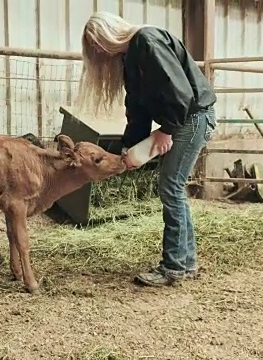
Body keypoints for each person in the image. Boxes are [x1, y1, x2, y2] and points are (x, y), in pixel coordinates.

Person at [78, 11, 218, 287]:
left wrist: (166, 129)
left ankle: (174, 267)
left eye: (97, 46)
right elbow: (138, 108)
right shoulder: (131, 58)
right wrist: (129, 147)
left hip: (191, 117)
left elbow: (178, 91)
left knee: (171, 186)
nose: (98, 53)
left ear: (106, 36)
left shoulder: (147, 41)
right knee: (173, 187)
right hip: (185, 117)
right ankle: (185, 262)